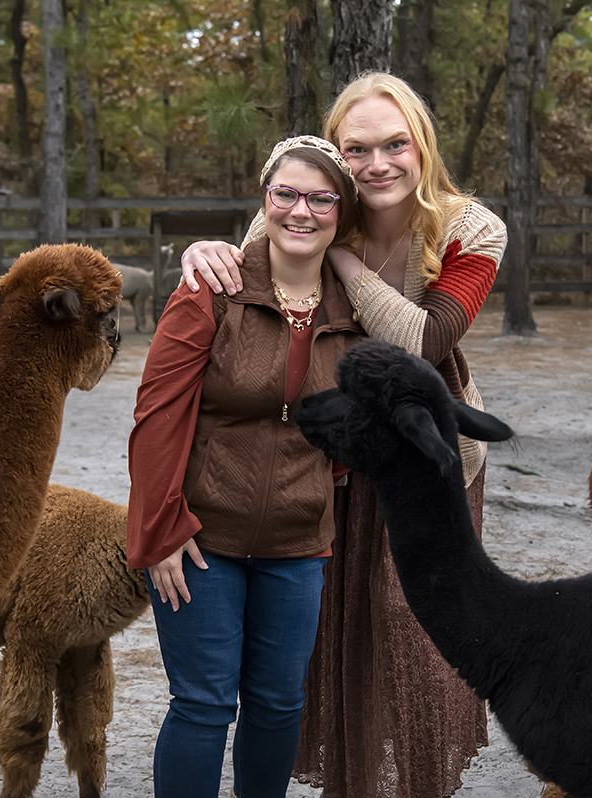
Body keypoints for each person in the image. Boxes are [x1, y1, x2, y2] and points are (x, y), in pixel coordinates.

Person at [180, 71, 508, 797]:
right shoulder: (308, 207)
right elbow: (244, 298)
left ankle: (420, 783)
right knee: (335, 631)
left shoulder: (470, 228)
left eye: (396, 144)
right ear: (334, 153)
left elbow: (425, 340)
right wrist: (204, 253)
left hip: (429, 454)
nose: (378, 163)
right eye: (356, 149)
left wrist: (342, 259)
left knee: (408, 621)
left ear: (421, 147)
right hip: (327, 453)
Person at [126, 135, 363, 798]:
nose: (301, 210)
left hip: (297, 543)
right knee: (203, 704)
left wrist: (322, 487)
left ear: (340, 213)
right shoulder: (213, 290)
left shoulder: (353, 315)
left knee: (279, 703)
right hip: (203, 539)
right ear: (265, 200)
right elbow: (157, 419)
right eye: (285, 193)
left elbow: (351, 429)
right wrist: (162, 526)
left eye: (321, 198)